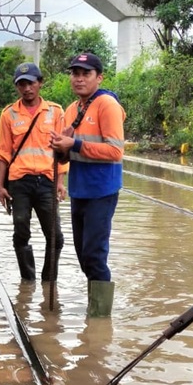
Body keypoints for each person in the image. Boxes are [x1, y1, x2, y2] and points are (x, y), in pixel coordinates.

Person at [49, 51, 125, 317]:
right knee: (83, 255)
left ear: (98, 77)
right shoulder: (72, 110)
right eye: (75, 74)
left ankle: (100, 320)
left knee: (94, 254)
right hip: (79, 190)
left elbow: (116, 151)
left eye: (86, 74)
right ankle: (96, 310)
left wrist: (75, 144)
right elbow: (66, 153)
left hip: (101, 191)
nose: (79, 79)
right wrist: (60, 148)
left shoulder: (107, 105)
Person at [0, 61, 68, 282]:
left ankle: (49, 281)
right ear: (17, 87)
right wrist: (0, 186)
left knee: (56, 237)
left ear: (40, 83)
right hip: (19, 182)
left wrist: (60, 182)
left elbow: (62, 150)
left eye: (31, 83)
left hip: (47, 181)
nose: (27, 88)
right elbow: (3, 152)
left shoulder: (55, 112)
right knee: (21, 234)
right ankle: (28, 281)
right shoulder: (9, 115)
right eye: (22, 84)